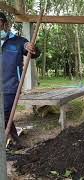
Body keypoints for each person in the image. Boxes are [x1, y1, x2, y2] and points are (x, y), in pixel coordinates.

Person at [1, 12, 40, 149]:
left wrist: (31, 47)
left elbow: (35, 53)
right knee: (5, 115)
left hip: (10, 85)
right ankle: (15, 140)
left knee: (5, 112)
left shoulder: (18, 41)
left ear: (5, 23)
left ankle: (12, 140)